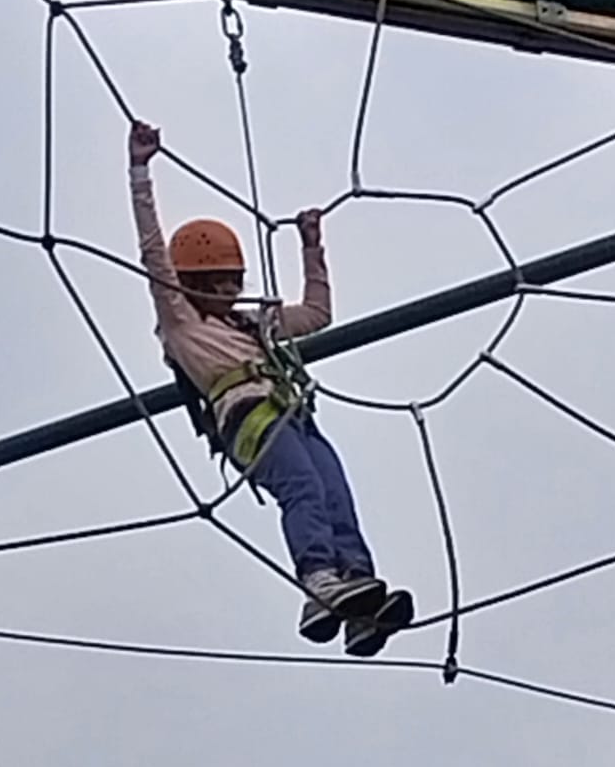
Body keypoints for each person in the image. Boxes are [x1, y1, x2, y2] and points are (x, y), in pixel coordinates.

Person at [128, 120, 413, 656]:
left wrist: (312, 247)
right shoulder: (184, 324)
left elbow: (316, 315)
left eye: (234, 282)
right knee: (303, 488)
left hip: (294, 414)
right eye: (215, 285)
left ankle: (359, 593)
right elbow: (152, 254)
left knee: (334, 492)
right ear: (189, 287)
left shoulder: (251, 324)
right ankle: (319, 583)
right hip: (248, 418)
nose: (230, 292)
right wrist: (140, 171)